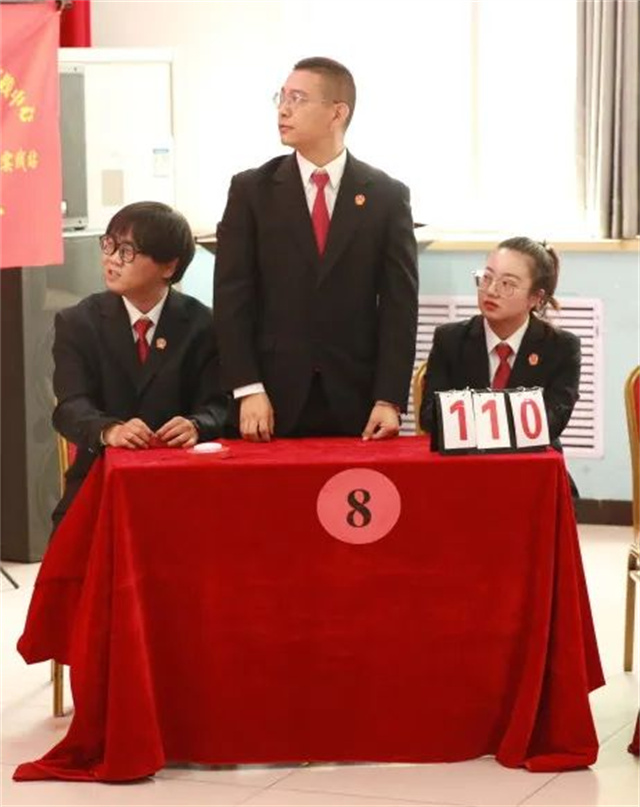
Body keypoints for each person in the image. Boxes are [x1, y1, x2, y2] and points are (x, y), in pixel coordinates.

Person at [214, 56, 419, 442]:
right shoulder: (252, 191)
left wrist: (389, 398)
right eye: (281, 97)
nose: (283, 109)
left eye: (298, 98)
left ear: (337, 113)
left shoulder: (387, 196)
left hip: (357, 398)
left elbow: (399, 306)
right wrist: (247, 387)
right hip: (270, 398)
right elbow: (232, 298)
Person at [51, 201, 228, 526]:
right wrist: (110, 430)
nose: (112, 259)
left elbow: (219, 404)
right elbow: (70, 408)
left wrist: (196, 424)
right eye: (109, 245)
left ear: (168, 266)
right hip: (101, 478)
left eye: (127, 252)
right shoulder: (78, 322)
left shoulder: (203, 325)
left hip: (183, 481)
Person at [420, 236, 580, 457]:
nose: (491, 290)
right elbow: (430, 416)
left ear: (535, 297)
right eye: (487, 278)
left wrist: (475, 419)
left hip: (530, 465)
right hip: (465, 463)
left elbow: (552, 422)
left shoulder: (561, 347)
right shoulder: (450, 339)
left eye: (507, 284)